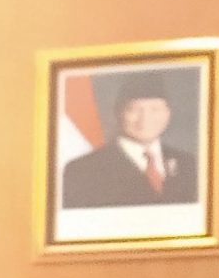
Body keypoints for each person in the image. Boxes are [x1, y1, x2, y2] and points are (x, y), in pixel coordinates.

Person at [62, 71, 198, 206]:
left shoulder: (188, 164)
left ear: (168, 113)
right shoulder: (84, 170)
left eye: (155, 109)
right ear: (118, 113)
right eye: (134, 109)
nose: (145, 118)